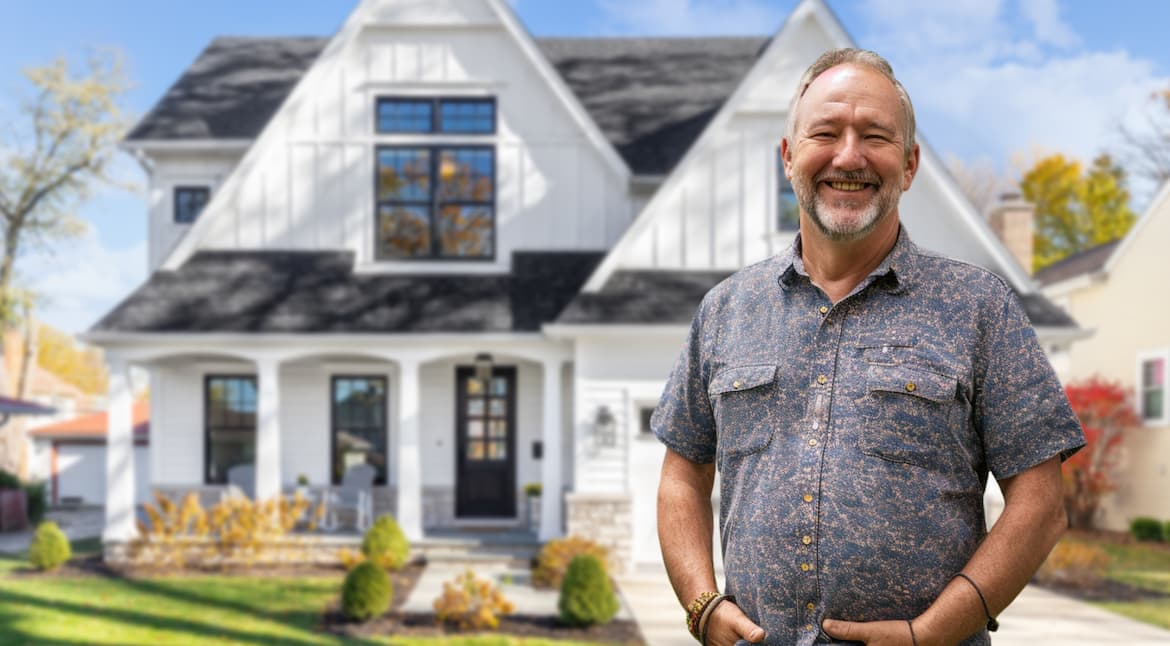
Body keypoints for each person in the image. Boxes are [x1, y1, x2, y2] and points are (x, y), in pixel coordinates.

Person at [652, 48, 1085, 646]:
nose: (849, 155)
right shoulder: (727, 310)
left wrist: (934, 632)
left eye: (875, 136)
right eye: (825, 132)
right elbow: (681, 476)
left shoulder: (978, 306)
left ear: (908, 165)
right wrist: (701, 603)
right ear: (789, 157)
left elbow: (1040, 503)